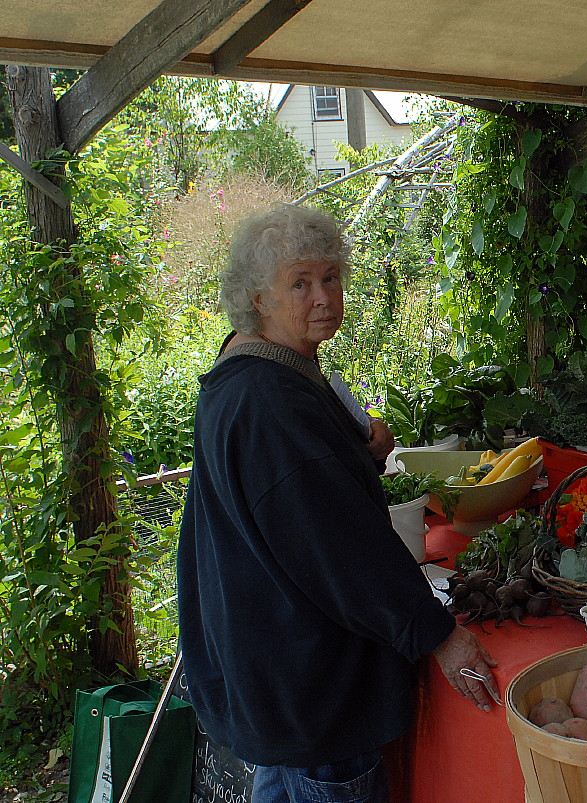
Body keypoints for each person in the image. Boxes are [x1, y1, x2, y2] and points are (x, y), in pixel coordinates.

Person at [177, 204, 497, 803]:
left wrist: (360, 452)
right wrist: (437, 635)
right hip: (310, 684)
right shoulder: (271, 403)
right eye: (299, 283)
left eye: (331, 277)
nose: (324, 296)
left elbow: (297, 498)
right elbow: (341, 550)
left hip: (279, 683)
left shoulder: (255, 373)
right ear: (257, 298)